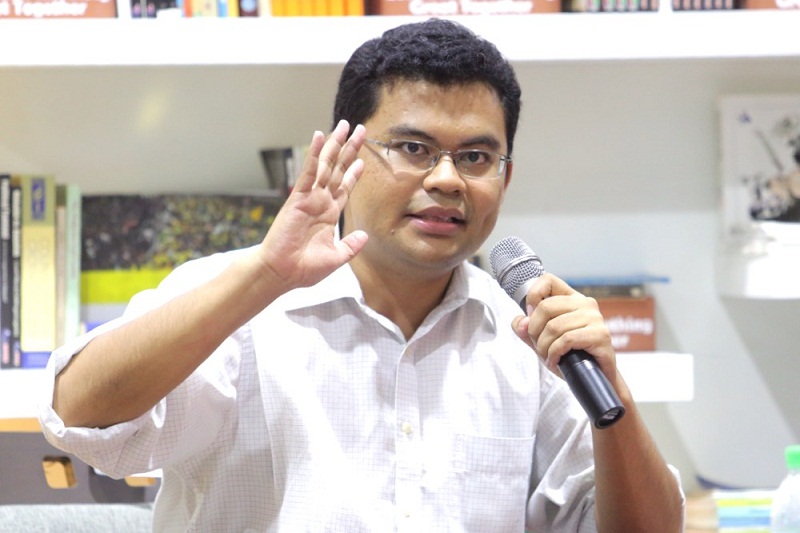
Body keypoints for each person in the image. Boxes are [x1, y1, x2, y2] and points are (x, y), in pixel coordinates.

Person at [40, 18, 684, 532]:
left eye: (476, 156)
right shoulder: (240, 298)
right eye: (413, 148)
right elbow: (81, 417)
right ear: (348, 152)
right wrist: (265, 275)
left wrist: (613, 392)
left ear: (504, 177)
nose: (446, 179)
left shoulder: (525, 339)